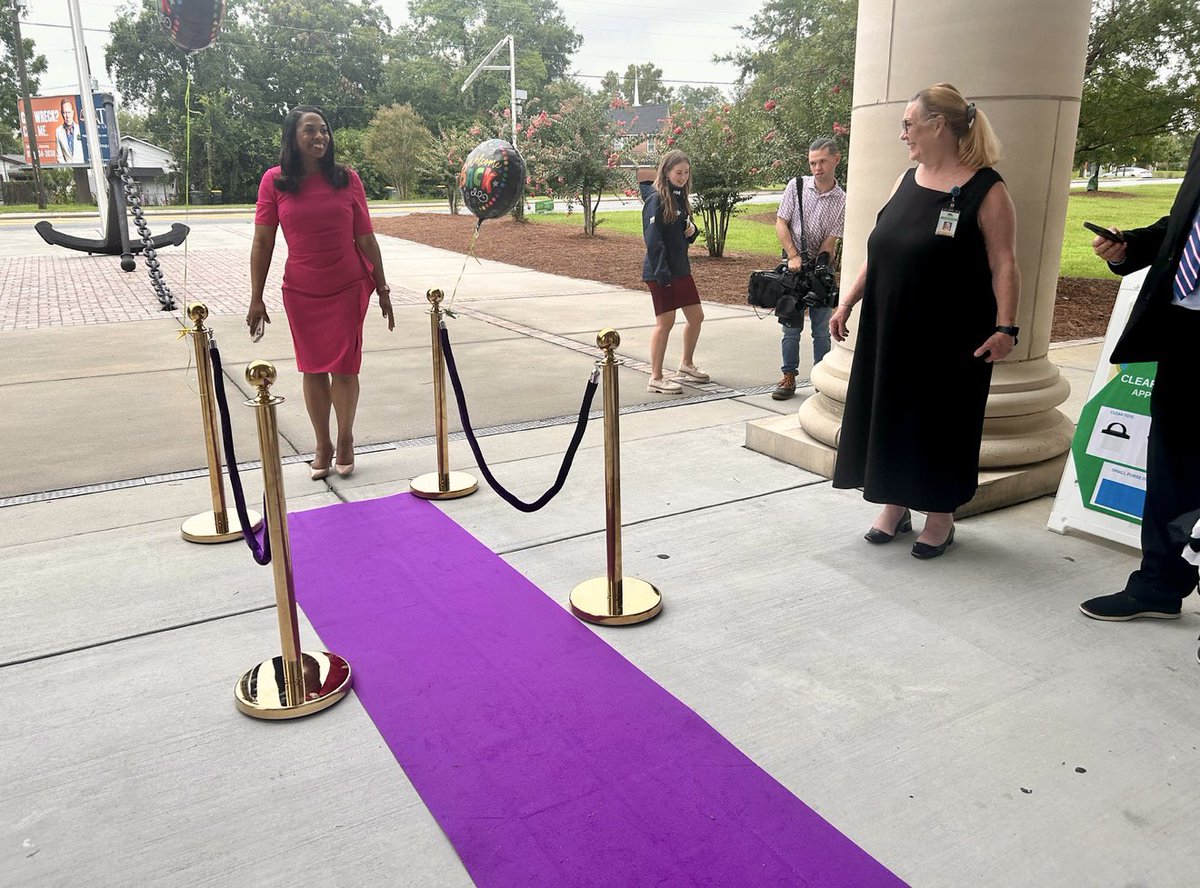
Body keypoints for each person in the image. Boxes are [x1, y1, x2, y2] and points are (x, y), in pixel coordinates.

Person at [829, 83, 1020, 559]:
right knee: (890, 415)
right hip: (891, 326)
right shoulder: (905, 180)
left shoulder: (987, 189)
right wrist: (847, 301)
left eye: (908, 124)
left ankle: (940, 517)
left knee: (939, 423)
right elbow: (881, 249)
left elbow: (1004, 263)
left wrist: (1006, 328)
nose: (903, 135)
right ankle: (894, 506)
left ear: (938, 126)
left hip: (950, 335)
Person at [1078, 132, 1200, 625]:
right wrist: (1129, 246)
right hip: (1186, 331)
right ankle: (1159, 584)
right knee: (1172, 466)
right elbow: (1185, 223)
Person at [247, 105, 394, 480]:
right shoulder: (275, 182)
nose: (319, 137)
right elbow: (263, 242)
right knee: (312, 369)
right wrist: (256, 297)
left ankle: (345, 440)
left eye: (324, 130)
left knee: (344, 368)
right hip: (301, 290)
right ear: (293, 138)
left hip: (347, 286)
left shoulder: (347, 179)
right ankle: (322, 445)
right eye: (310, 130)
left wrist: (382, 287)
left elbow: (366, 237)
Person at [771, 138, 846, 400]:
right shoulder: (797, 186)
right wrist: (793, 255)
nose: (817, 168)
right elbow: (781, 222)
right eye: (813, 163)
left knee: (821, 330)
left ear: (836, 160)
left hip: (821, 270)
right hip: (793, 267)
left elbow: (830, 241)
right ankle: (788, 376)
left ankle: (819, 380)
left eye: (822, 162)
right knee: (791, 327)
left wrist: (819, 266)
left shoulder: (842, 200)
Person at [639, 150, 708, 394]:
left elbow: (682, 232)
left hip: (680, 268)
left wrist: (692, 231)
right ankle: (656, 378)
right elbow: (653, 238)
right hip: (661, 271)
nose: (683, 177)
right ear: (666, 172)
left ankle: (686, 364)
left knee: (696, 317)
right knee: (665, 322)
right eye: (678, 172)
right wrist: (662, 272)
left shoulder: (680, 198)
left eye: (686, 172)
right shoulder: (655, 199)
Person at [54, 98, 84, 165]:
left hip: (84, 167)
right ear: (62, 113)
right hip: (69, 168)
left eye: (69, 112)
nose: (67, 116)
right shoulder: (58, 131)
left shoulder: (81, 129)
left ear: (73, 113)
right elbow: (59, 156)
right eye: (65, 113)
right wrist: (67, 168)